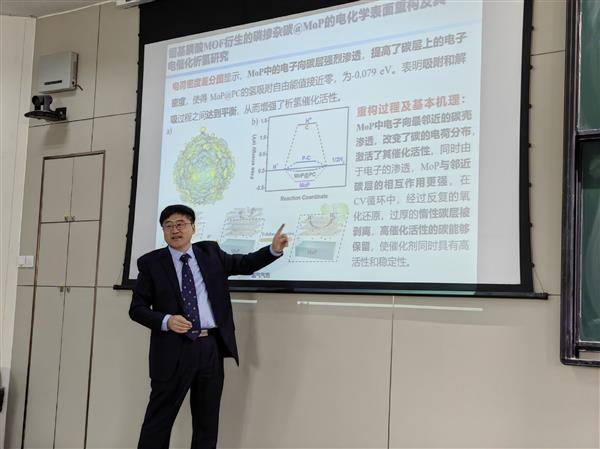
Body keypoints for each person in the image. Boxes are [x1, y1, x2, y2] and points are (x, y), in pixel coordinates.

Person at [129, 204, 288, 449]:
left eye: (180, 224)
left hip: (210, 347)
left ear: (193, 228)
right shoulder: (151, 263)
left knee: (207, 422)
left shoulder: (210, 254)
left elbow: (244, 264)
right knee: (158, 421)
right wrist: (166, 321)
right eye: (168, 226)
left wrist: (273, 250)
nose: (175, 230)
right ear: (163, 231)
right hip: (173, 350)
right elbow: (137, 309)